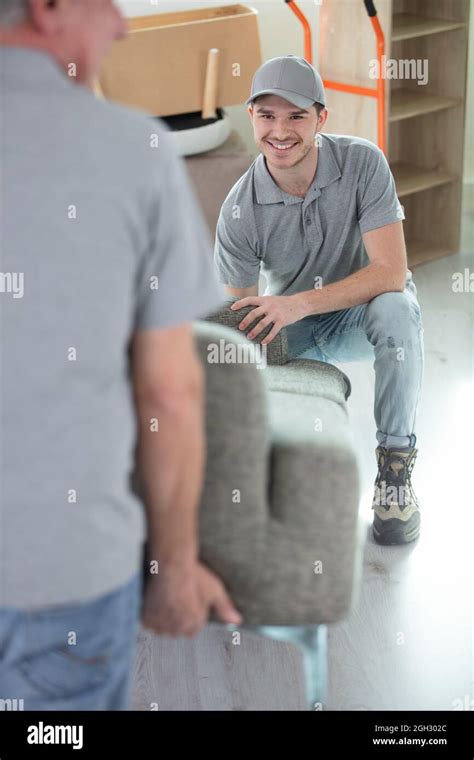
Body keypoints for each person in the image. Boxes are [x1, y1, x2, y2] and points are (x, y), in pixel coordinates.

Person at [0, 0, 241, 711]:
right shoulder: (133, 151)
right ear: (48, 8)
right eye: (106, 3)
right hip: (65, 575)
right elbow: (168, 394)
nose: (122, 25)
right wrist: (174, 569)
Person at [215, 55, 424, 546]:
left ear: (321, 119)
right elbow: (241, 321)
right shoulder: (239, 210)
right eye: (267, 115)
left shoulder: (362, 163)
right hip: (293, 330)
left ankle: (395, 475)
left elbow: (392, 272)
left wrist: (300, 303)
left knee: (399, 307)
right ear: (251, 116)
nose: (280, 131)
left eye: (296, 116)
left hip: (361, 313)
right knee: (228, 353)